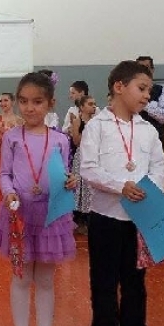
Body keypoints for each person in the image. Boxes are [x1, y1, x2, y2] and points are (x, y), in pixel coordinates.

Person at [79, 61, 164, 326]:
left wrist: (150, 190)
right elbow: (88, 168)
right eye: (141, 88)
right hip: (106, 218)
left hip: (139, 218)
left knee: (135, 284)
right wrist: (121, 186)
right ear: (119, 87)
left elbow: (160, 165)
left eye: (149, 90)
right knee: (103, 284)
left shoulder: (148, 130)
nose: (147, 96)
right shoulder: (97, 126)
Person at [0, 72, 77, 326]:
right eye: (24, 101)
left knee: (45, 281)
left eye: (37, 102)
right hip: (20, 216)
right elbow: (4, 174)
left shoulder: (61, 139)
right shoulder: (12, 137)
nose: (30, 108)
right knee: (21, 278)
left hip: (51, 217)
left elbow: (63, 173)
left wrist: (70, 181)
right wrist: (9, 193)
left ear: (50, 103)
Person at [69, 95, 97, 234]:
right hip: (82, 156)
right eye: (90, 104)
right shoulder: (78, 121)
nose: (94, 106)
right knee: (80, 186)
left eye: (94, 104)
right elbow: (76, 141)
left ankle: (89, 219)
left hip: (94, 156)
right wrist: (88, 130)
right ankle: (78, 219)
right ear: (82, 107)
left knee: (90, 187)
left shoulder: (97, 121)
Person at [135, 56, 164, 143]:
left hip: (156, 139)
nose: (144, 70)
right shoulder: (129, 90)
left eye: (146, 67)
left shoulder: (163, 90)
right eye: (140, 68)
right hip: (134, 138)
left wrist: (145, 104)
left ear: (152, 70)